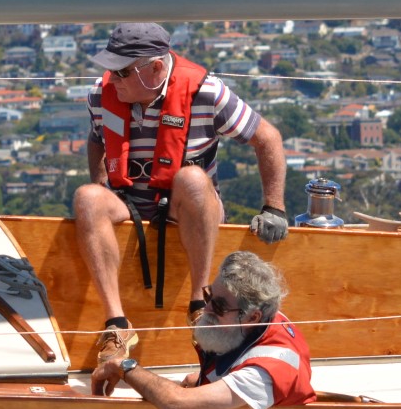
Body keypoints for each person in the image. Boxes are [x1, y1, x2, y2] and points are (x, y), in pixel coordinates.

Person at [74, 23, 288, 353]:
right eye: (111, 70)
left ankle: (199, 304)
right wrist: (102, 183)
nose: (112, 79)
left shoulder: (207, 93)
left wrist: (273, 207)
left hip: (188, 206)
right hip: (130, 202)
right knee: (87, 197)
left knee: (191, 179)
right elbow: (97, 139)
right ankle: (117, 324)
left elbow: (267, 138)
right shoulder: (100, 96)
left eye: (122, 72)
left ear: (155, 68)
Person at [90, 251, 314, 409]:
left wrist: (123, 366)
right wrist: (212, 380)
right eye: (208, 296)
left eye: (218, 307)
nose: (205, 309)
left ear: (252, 316)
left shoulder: (265, 372)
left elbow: (175, 404)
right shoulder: (266, 318)